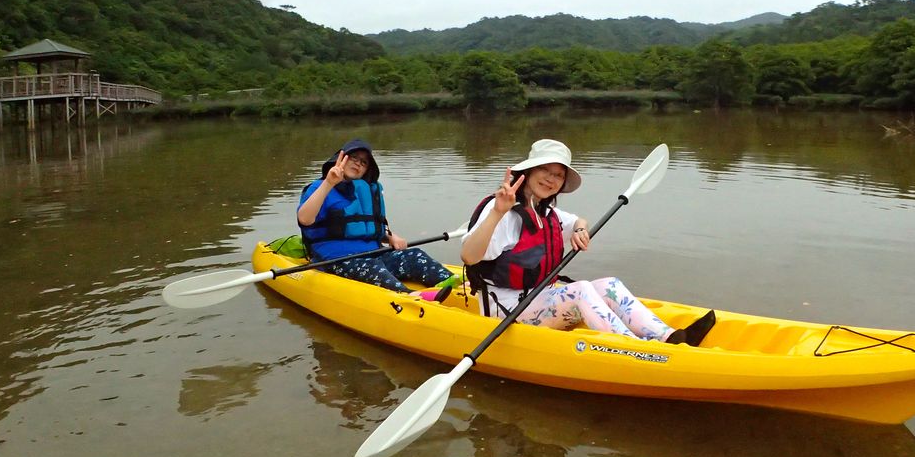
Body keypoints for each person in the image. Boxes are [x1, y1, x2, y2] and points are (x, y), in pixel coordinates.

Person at [460, 139, 716, 345]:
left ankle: (668, 337)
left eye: (558, 175)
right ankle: (634, 349)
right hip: (505, 311)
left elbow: (577, 220)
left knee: (609, 285)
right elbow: (469, 256)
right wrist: (497, 212)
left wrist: (580, 229)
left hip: (538, 298)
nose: (551, 179)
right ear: (527, 172)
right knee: (580, 289)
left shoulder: (546, 211)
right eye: (544, 170)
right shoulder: (502, 210)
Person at [297, 138, 452, 294]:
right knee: (373, 269)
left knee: (415, 255)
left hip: (374, 255)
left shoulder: (366, 191)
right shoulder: (319, 187)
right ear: (341, 158)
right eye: (353, 157)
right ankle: (411, 298)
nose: (358, 163)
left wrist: (391, 237)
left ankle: (455, 286)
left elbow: (371, 226)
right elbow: (304, 219)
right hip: (336, 260)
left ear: (367, 170)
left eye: (364, 162)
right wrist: (329, 183)